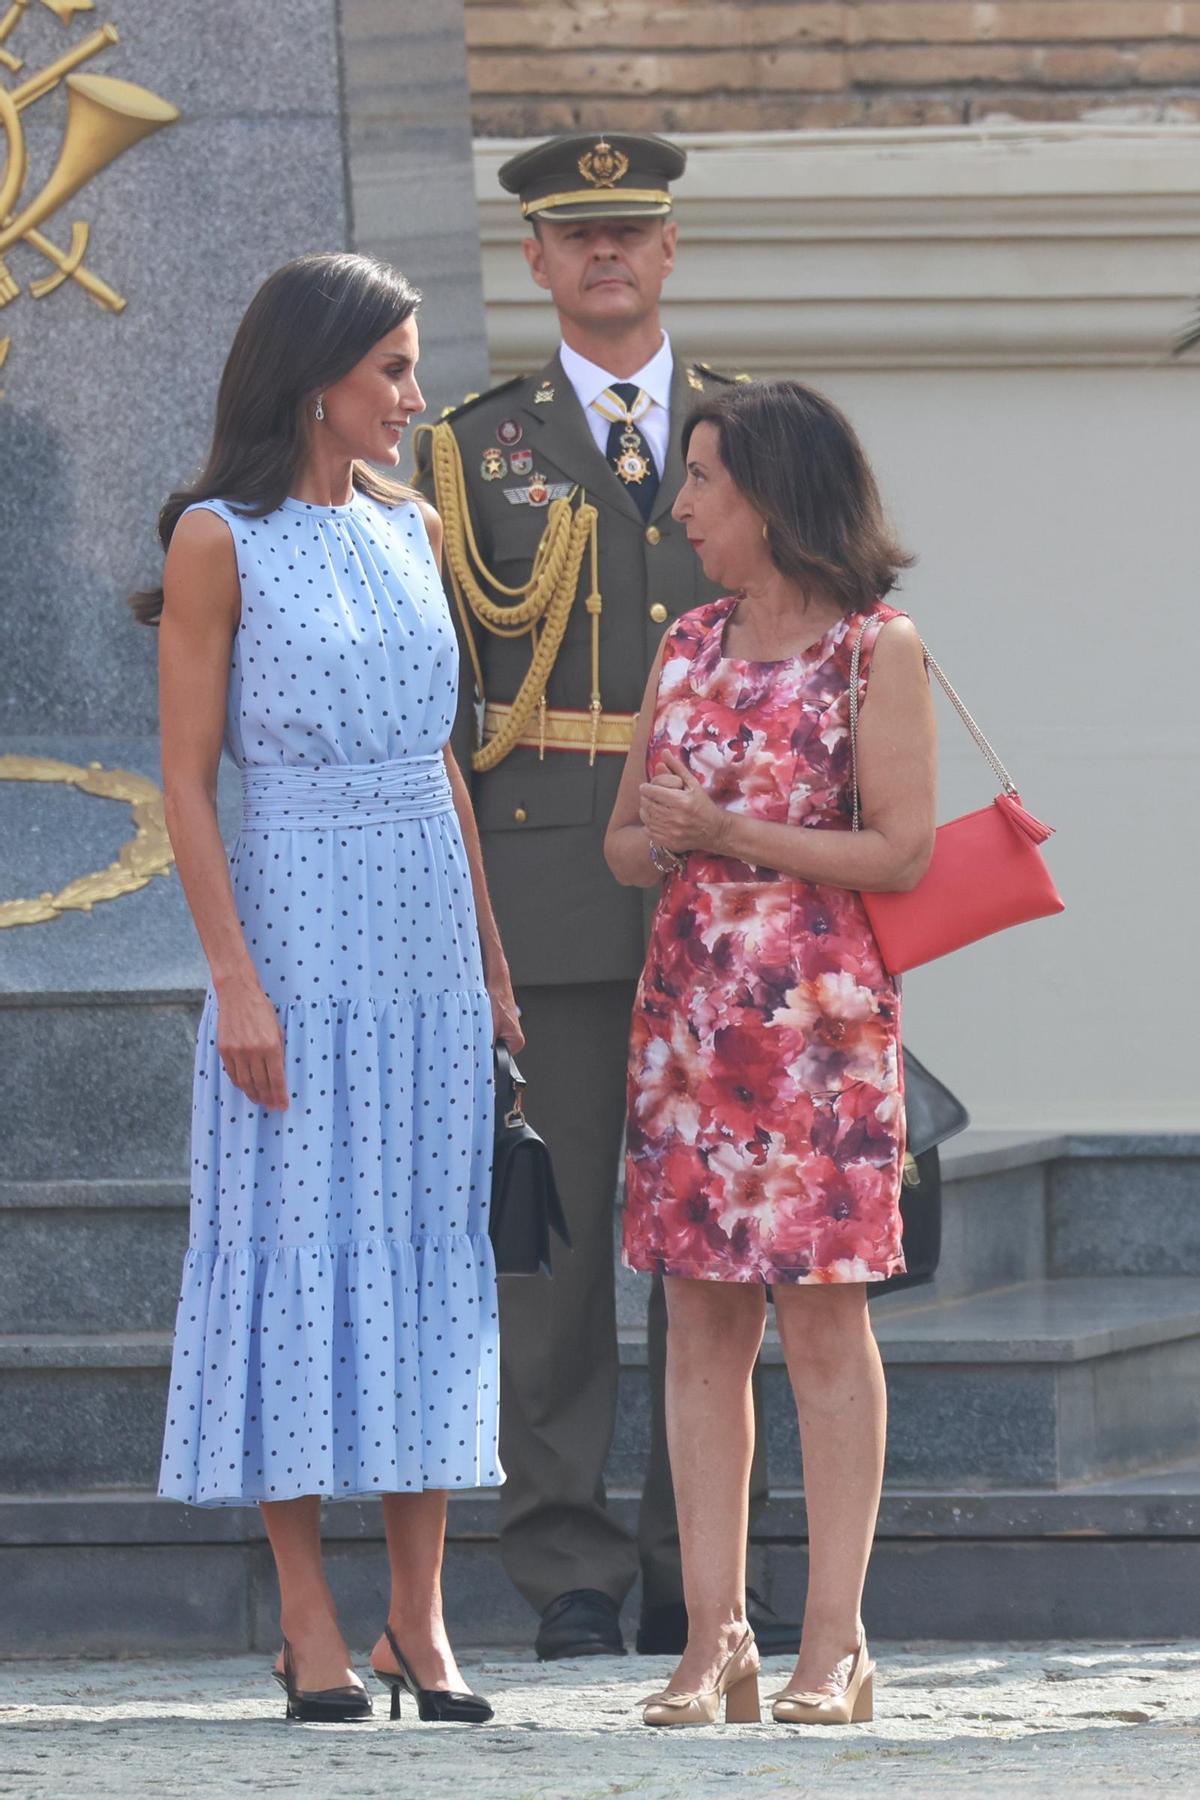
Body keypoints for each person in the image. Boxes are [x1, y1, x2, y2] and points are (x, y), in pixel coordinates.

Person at [414, 130, 798, 1661]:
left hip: (735, 886)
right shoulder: (471, 449)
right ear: (537, 263)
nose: (607, 255)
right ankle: (566, 1561)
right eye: (577, 236)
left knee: (723, 1238)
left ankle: (697, 1564)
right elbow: (446, 698)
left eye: (632, 228)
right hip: (551, 880)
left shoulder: (753, 429)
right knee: (560, 1245)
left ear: (672, 247)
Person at [138, 252, 521, 1724]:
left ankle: (417, 1623)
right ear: (319, 385)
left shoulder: (417, 525)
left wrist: (489, 963)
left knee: (430, 1253)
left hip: (424, 936)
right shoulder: (215, 540)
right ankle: (305, 1614)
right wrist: (233, 981)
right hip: (295, 933)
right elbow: (181, 779)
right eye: (395, 373)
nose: (417, 398)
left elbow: (441, 758)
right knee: (295, 1257)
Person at [605, 379, 937, 1728]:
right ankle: (713, 1638)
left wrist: (736, 834)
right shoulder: (685, 640)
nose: (681, 506)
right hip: (691, 1022)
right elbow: (623, 838)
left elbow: (900, 849)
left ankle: (834, 1645)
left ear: (776, 499)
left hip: (818, 1028)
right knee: (697, 1317)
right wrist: (669, 838)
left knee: (820, 1319)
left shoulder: (877, 648)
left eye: (704, 483)